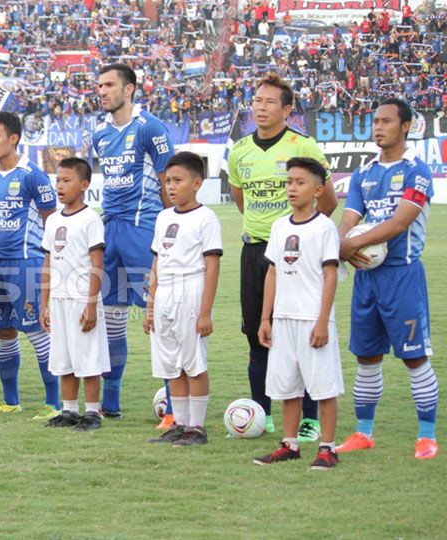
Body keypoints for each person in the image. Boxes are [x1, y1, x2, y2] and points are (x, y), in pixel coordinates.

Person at [226, 72, 337, 439]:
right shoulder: (240, 150)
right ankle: (262, 415)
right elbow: (241, 200)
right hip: (255, 249)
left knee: (301, 331)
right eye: (257, 100)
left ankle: (308, 419)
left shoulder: (303, 147)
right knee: (257, 335)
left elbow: (329, 198)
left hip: (296, 255)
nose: (261, 107)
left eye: (270, 101)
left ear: (287, 110)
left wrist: (301, 233)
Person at [335, 99, 438, 460]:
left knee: (414, 358)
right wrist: (340, 241)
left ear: (406, 126)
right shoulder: (364, 174)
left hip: (402, 276)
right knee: (366, 357)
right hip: (367, 279)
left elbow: (399, 222)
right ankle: (364, 433)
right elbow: (349, 216)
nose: (378, 127)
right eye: (375, 121)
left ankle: (427, 436)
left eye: (386, 121)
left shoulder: (417, 171)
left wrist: (352, 244)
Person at [93, 64, 175, 422]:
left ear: (129, 90)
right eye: (99, 85)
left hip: (143, 230)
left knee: (158, 317)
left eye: (109, 84)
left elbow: (170, 181)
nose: (102, 90)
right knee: (111, 320)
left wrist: (173, 228)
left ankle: (176, 404)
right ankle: (110, 403)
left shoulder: (150, 128)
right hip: (109, 231)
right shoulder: (99, 134)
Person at [253, 157, 342, 469]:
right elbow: (273, 274)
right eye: (289, 182)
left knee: (323, 386)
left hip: (312, 320)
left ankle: (328, 448)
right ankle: (290, 444)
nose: (292, 188)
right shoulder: (279, 227)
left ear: (318, 189)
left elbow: (330, 275)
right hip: (284, 319)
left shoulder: (324, 227)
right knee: (287, 385)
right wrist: (266, 318)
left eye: (300, 182)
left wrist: (322, 321)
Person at [0, 111, 59, 420]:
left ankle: (53, 403)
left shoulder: (31, 175)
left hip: (26, 264)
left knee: (38, 331)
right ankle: (11, 400)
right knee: (3, 333)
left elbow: (51, 221)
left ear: (13, 138)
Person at [145, 152, 222, 446]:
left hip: (191, 288)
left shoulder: (206, 218)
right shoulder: (163, 217)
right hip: (165, 291)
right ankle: (180, 423)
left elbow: (212, 265)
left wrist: (205, 312)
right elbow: (156, 264)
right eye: (167, 182)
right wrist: (150, 306)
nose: (171, 187)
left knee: (193, 361)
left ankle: (197, 427)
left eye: (178, 181)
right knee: (171, 363)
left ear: (197, 183)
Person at [39, 158, 110, 431]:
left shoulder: (91, 219)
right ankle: (69, 410)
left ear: (84, 185)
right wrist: (44, 303)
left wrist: (91, 305)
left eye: (67, 180)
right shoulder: (53, 220)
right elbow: (47, 264)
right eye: (57, 180)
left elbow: (97, 264)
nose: (60, 185)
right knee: (63, 357)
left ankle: (92, 412)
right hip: (58, 299)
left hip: (82, 298)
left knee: (88, 357)